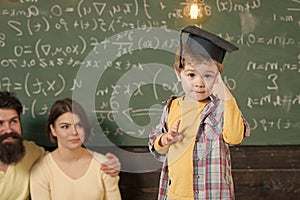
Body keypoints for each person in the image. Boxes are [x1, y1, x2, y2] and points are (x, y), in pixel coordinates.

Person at [148, 25, 250, 200]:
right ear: (178, 73)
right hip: (174, 195)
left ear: (218, 78)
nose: (199, 83)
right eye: (191, 75)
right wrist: (165, 139)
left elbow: (234, 137)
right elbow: (155, 144)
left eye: (208, 76)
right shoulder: (171, 106)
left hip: (210, 195)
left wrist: (226, 94)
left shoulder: (221, 107)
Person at [0, 91, 120, 200]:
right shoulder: (40, 170)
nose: (8, 129)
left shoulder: (31, 152)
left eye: (14, 121)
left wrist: (113, 163)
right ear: (53, 130)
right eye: (0, 123)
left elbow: (60, 159)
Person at [30, 98, 122, 200]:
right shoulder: (41, 170)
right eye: (65, 127)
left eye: (79, 125)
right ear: (53, 130)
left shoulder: (104, 165)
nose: (74, 132)